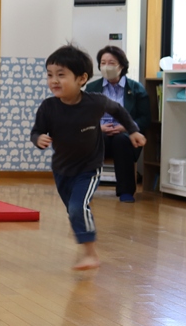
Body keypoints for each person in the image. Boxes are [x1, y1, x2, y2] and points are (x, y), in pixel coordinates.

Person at [31, 45, 145, 271]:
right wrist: (38, 139)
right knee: (73, 210)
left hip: (88, 168)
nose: (54, 81)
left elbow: (119, 111)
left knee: (78, 207)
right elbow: (37, 131)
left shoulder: (95, 102)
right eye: (50, 75)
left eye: (61, 75)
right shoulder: (48, 107)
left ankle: (90, 254)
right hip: (61, 170)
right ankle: (86, 241)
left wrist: (132, 130)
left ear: (82, 79)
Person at [84, 46, 150, 203]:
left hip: (126, 135)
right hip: (100, 133)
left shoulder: (137, 89)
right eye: (103, 63)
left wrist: (127, 127)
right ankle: (85, 189)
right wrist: (98, 128)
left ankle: (126, 191)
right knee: (96, 139)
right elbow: (84, 116)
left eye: (111, 63)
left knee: (121, 141)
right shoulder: (92, 88)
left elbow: (145, 118)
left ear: (121, 65)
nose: (106, 66)